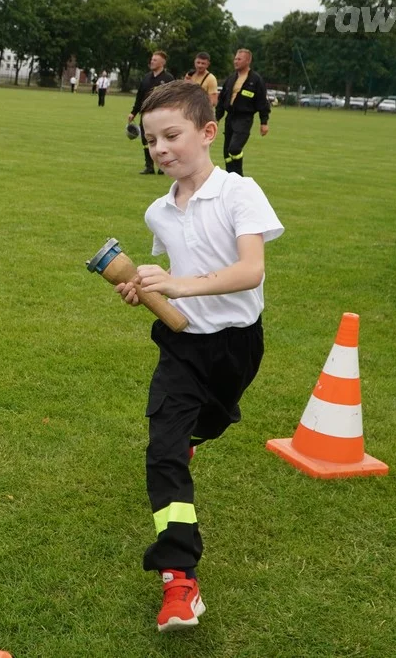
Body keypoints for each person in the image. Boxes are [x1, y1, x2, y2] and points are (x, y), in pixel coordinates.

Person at [115, 79, 283, 632]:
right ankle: (179, 578)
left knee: (206, 428)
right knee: (163, 451)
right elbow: (167, 278)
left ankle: (189, 440)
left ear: (208, 133)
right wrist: (144, 287)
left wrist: (179, 284)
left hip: (237, 347)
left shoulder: (240, 193)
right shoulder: (157, 214)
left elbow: (250, 271)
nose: (160, 148)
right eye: (150, 140)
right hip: (181, 347)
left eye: (171, 135)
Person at [215, 49, 270, 176]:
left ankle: (239, 176)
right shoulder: (231, 79)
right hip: (230, 117)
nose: (236, 61)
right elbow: (222, 100)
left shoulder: (256, 80)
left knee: (234, 148)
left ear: (248, 61)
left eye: (239, 59)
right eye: (235, 59)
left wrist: (264, 122)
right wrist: (216, 118)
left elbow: (262, 102)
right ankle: (230, 176)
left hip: (244, 118)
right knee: (226, 153)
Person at [128, 50, 175, 174]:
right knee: (146, 140)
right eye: (152, 59)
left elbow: (173, 97)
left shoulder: (168, 78)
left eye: (155, 60)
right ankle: (149, 166)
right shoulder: (146, 78)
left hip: (162, 115)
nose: (152, 62)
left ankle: (162, 166)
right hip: (146, 115)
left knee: (162, 140)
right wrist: (133, 112)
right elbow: (140, 96)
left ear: (162, 62)